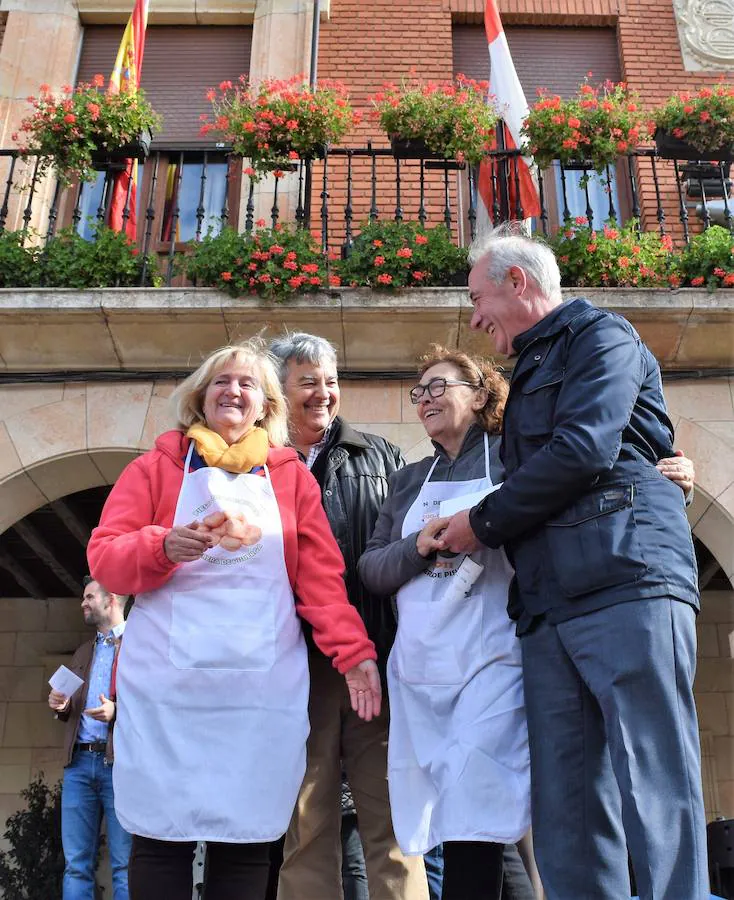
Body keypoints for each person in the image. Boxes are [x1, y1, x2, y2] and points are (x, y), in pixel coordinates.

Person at [438, 225, 707, 900]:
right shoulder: (524, 368)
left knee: (654, 774)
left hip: (627, 581)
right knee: (567, 802)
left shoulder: (602, 336)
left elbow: (584, 450)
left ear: (517, 282)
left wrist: (481, 522)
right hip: (550, 605)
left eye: (477, 298)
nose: (474, 319)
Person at [86, 339, 381, 900]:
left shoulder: (291, 477)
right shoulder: (156, 467)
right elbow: (105, 557)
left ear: (266, 405)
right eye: (222, 381)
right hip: (168, 688)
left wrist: (354, 653)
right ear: (200, 397)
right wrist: (162, 546)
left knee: (247, 839)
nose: (234, 391)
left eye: (247, 383)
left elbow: (320, 580)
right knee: (160, 833)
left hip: (258, 689)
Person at [358, 346, 531, 900]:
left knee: (476, 802)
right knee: (456, 810)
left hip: (492, 658)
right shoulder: (409, 480)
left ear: (479, 395)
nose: (426, 398)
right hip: (421, 665)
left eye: (440, 386)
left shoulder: (514, 457)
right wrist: (421, 545)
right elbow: (372, 567)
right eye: (419, 391)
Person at [268, 332, 427, 900]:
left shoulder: (382, 456)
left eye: (331, 382)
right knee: (306, 822)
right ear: (279, 389)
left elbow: (407, 551)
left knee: (391, 819)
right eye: (308, 382)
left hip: (372, 661)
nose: (323, 394)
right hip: (293, 667)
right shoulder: (260, 463)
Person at [48, 576, 131, 900]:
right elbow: (70, 705)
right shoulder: (84, 651)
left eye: (88, 597)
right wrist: (62, 705)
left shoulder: (138, 645)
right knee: (76, 865)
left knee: (125, 864)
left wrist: (118, 711)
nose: (82, 603)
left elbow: (156, 704)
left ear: (111, 600)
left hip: (119, 766)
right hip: (78, 765)